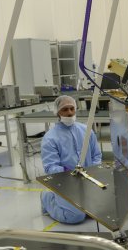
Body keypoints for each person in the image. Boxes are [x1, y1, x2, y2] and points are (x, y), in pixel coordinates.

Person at [41, 95, 102, 224]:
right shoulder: (50, 138)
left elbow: (97, 155)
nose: (69, 113)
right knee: (75, 216)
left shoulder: (86, 131)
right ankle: (47, 198)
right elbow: (49, 167)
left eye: (72, 108)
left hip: (88, 180)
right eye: (65, 109)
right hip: (65, 183)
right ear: (57, 113)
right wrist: (65, 171)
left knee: (97, 212)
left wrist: (93, 170)